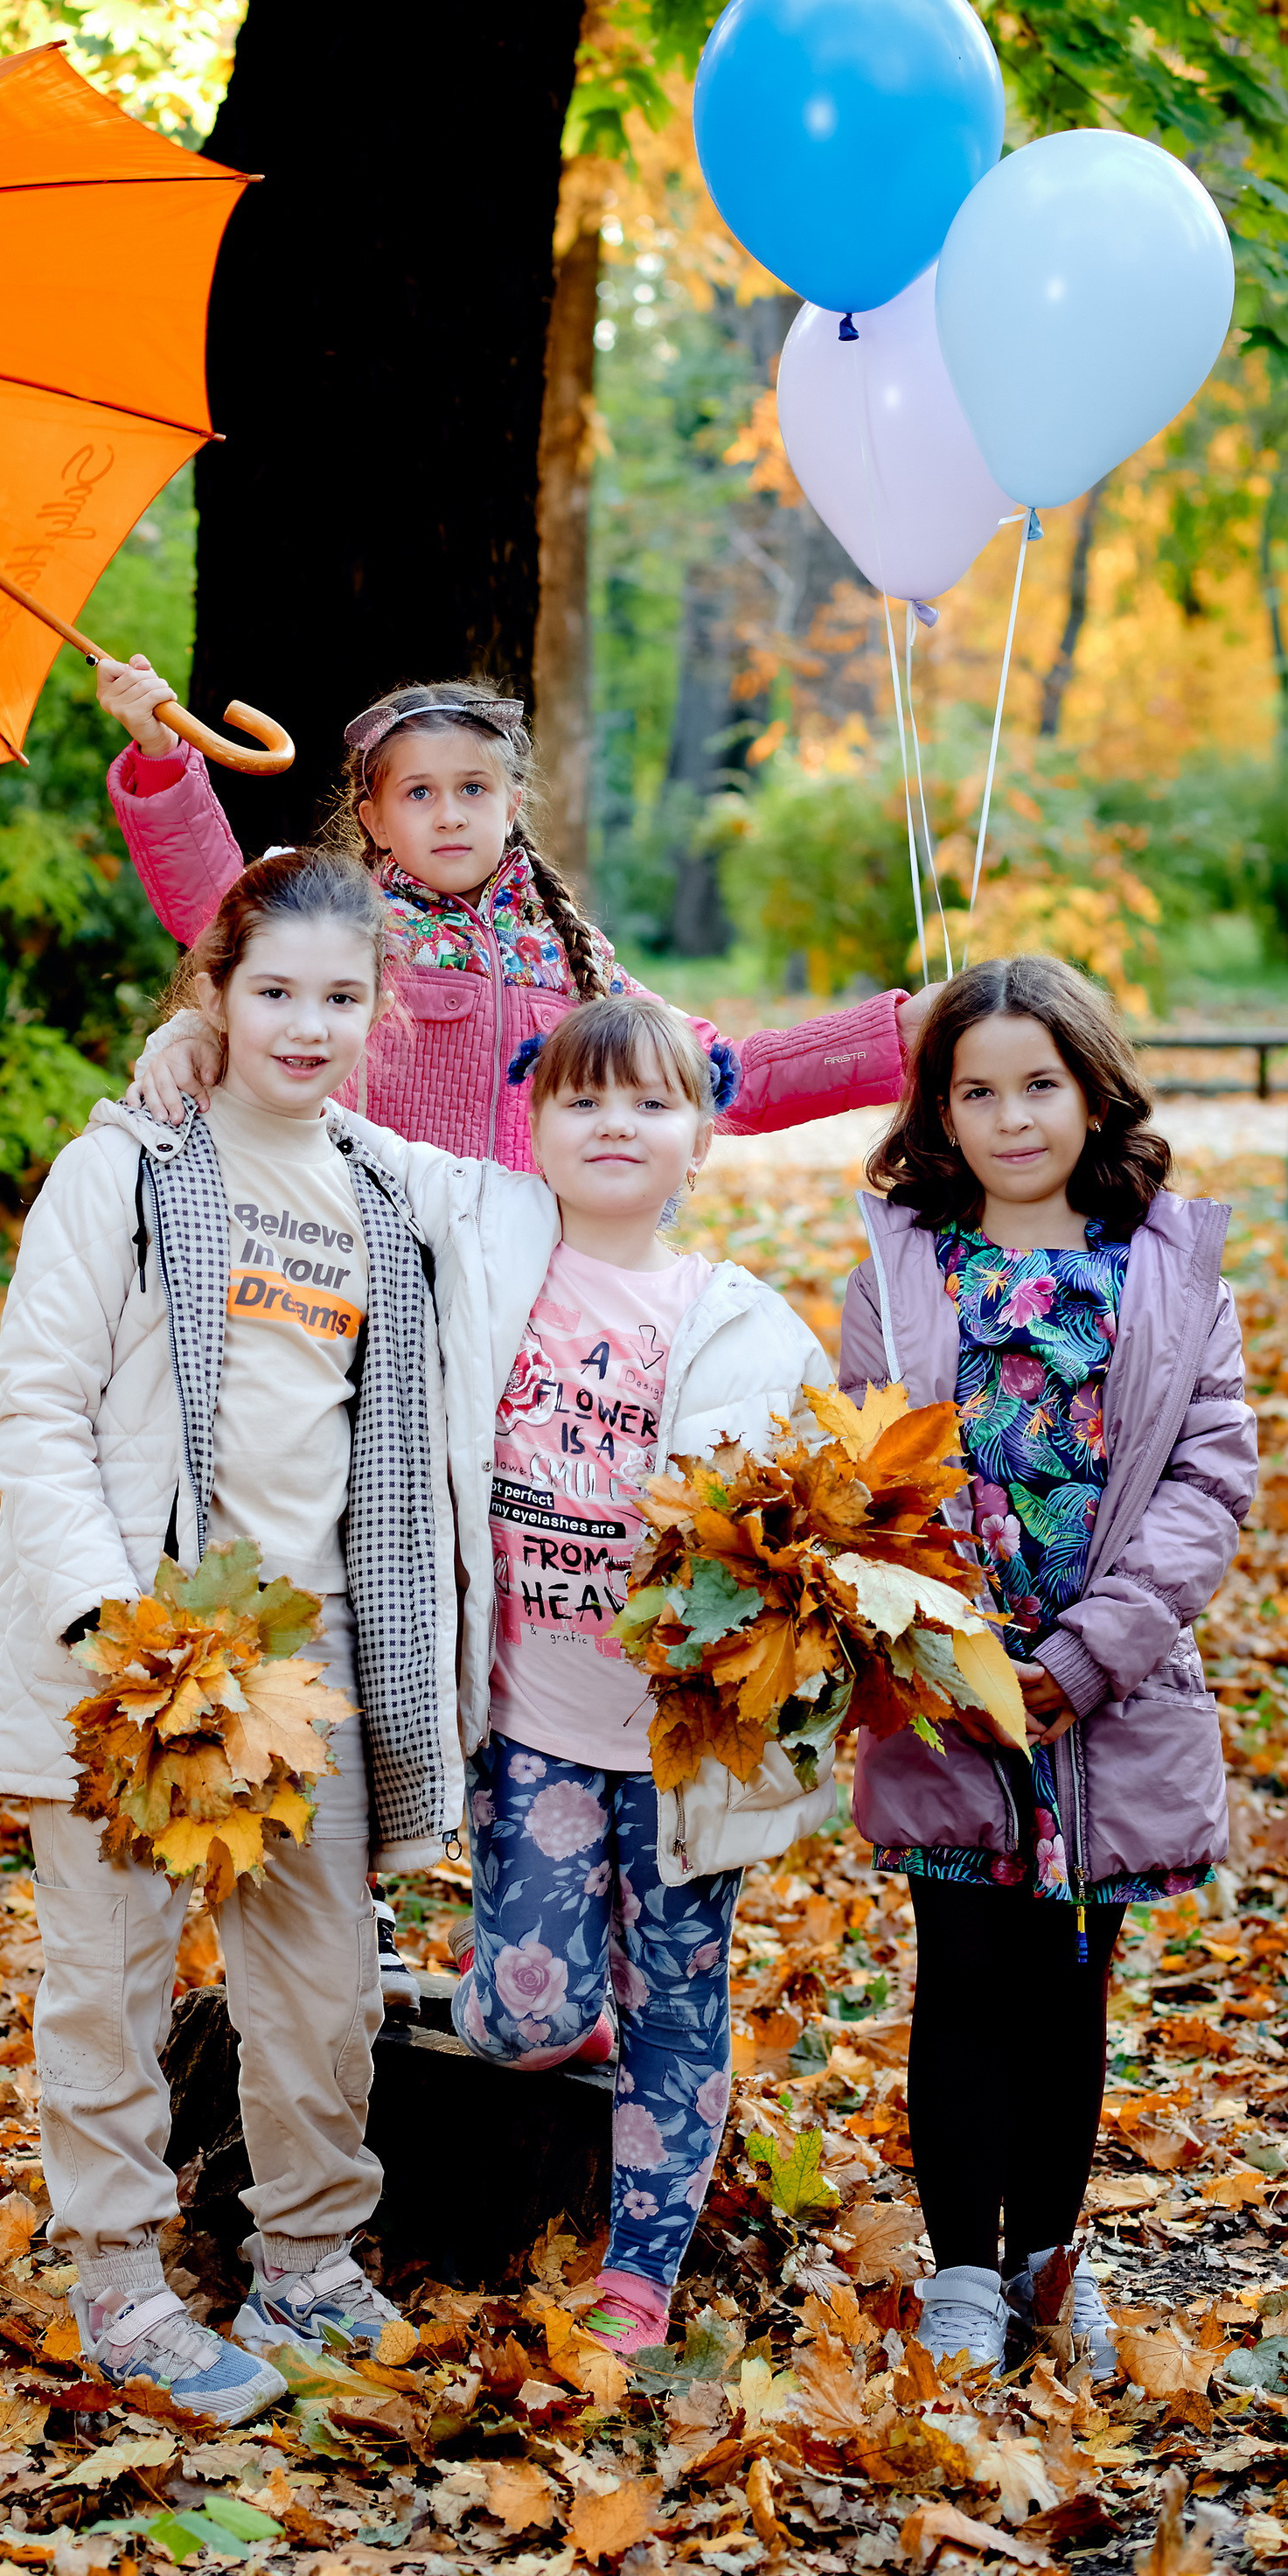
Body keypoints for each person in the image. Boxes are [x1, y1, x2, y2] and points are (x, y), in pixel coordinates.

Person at [0, 848, 476, 2423]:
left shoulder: (391, 1189)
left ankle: (307, 2261)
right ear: (213, 998)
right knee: (105, 1978)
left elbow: (595, 1173)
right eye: (270, 994)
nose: (304, 1026)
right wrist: (114, 1618)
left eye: (338, 997)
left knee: (319, 1991)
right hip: (125, 1651)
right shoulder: (122, 1170)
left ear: (381, 1010)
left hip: (298, 1675)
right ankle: (115, 2277)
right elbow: (33, 1412)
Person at [346, 996, 841, 2356]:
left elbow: (824, 1524)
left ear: (699, 1136)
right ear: (533, 1124)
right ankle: (554, 2013)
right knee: (520, 2018)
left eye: (648, 1102)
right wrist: (199, 1050)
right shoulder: (495, 1236)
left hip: (682, 1745)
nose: (613, 1123)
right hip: (534, 1724)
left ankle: (638, 2268)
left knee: (675, 1998)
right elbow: (350, 1131)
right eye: (579, 1099)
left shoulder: (746, 1324)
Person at [838, 956, 1257, 2376]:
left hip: (1099, 1690)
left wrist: (1083, 1660)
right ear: (934, 1109)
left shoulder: (1165, 1271)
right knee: (956, 1968)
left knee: (1067, 1979)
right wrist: (935, 1635)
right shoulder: (899, 1277)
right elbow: (856, 1465)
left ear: (1088, 1090)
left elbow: (1208, 1480)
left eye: (1038, 1084)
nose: (1010, 1116)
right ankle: (958, 2268)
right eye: (974, 1090)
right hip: (949, 1684)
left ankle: (1042, 2256)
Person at [101, 660, 931, 1171]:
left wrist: (899, 1037)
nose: (450, 814)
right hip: (360, 1246)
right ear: (378, 819)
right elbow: (207, 903)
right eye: (419, 793)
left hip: (522, 1275)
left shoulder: (569, 956)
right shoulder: (346, 923)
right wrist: (162, 751)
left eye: (473, 790)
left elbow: (724, 1078)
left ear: (513, 806)